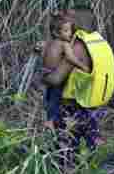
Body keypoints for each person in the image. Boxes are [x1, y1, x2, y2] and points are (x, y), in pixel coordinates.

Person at [41, 9, 100, 162]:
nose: (69, 33)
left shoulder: (54, 42)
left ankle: (50, 120)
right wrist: (83, 67)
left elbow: (49, 57)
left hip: (48, 74)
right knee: (56, 98)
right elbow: (71, 59)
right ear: (56, 32)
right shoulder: (69, 44)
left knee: (51, 99)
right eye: (67, 30)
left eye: (70, 30)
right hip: (81, 98)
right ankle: (51, 122)